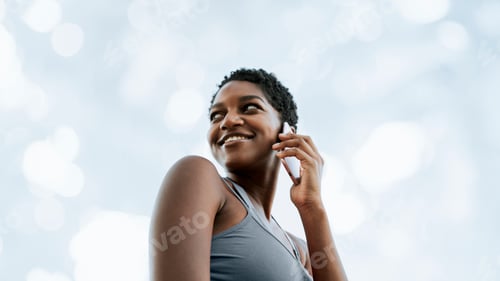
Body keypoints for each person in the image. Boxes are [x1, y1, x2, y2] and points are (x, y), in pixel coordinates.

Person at [149, 68, 348, 281]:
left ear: (287, 131)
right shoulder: (197, 175)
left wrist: (312, 206)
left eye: (249, 107)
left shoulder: (302, 252)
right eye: (217, 116)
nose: (228, 121)